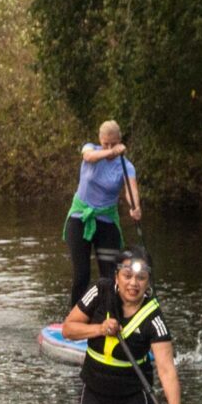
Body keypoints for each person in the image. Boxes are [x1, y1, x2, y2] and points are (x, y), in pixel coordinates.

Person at [59, 247, 183, 404]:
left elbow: (167, 369)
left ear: (148, 282)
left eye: (141, 278)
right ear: (116, 276)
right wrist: (99, 329)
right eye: (127, 276)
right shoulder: (100, 291)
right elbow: (68, 329)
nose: (133, 283)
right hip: (95, 389)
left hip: (133, 395)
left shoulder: (154, 318)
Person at [64, 121, 142, 305]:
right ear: (100, 140)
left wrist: (135, 206)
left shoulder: (126, 166)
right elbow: (89, 157)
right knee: (82, 274)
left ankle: (108, 313)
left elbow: (131, 190)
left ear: (120, 141)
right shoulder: (90, 149)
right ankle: (74, 315)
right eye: (106, 143)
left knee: (109, 276)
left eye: (113, 143)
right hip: (80, 218)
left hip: (107, 221)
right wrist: (111, 152)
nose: (109, 147)